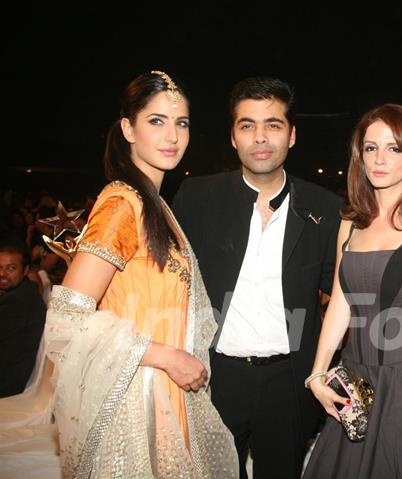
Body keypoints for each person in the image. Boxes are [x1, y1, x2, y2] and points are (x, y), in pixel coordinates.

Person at [45, 71, 238, 478]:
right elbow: (66, 317)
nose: (172, 136)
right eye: (156, 121)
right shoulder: (122, 203)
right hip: (137, 398)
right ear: (128, 129)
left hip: (167, 393)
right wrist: (166, 356)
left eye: (181, 123)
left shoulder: (157, 207)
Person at [172, 76, 343, 479]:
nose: (260, 137)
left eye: (273, 125)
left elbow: (342, 296)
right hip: (212, 379)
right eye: (247, 125)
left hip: (290, 384)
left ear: (292, 135)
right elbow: (168, 284)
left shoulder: (326, 208)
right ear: (233, 137)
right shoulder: (196, 198)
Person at [303, 104, 402, 478]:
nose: (379, 159)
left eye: (394, 148)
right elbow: (340, 304)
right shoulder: (350, 223)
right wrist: (317, 375)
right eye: (370, 147)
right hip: (354, 383)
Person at [0, 237, 46, 397]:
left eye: (11, 268)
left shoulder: (18, 301)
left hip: (8, 382)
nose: (2, 274)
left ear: (26, 270)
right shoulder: (24, 291)